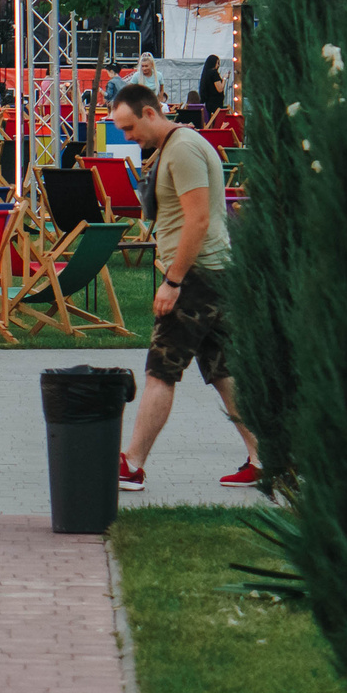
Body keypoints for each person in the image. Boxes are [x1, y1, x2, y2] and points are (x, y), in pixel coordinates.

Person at [111, 84, 259, 492]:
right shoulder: (175, 146)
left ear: (150, 113)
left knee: (161, 369)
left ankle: (133, 465)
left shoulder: (183, 149)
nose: (128, 138)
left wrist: (173, 282)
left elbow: (198, 221)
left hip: (196, 277)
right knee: (224, 369)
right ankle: (266, 455)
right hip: (213, 274)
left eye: (129, 128)